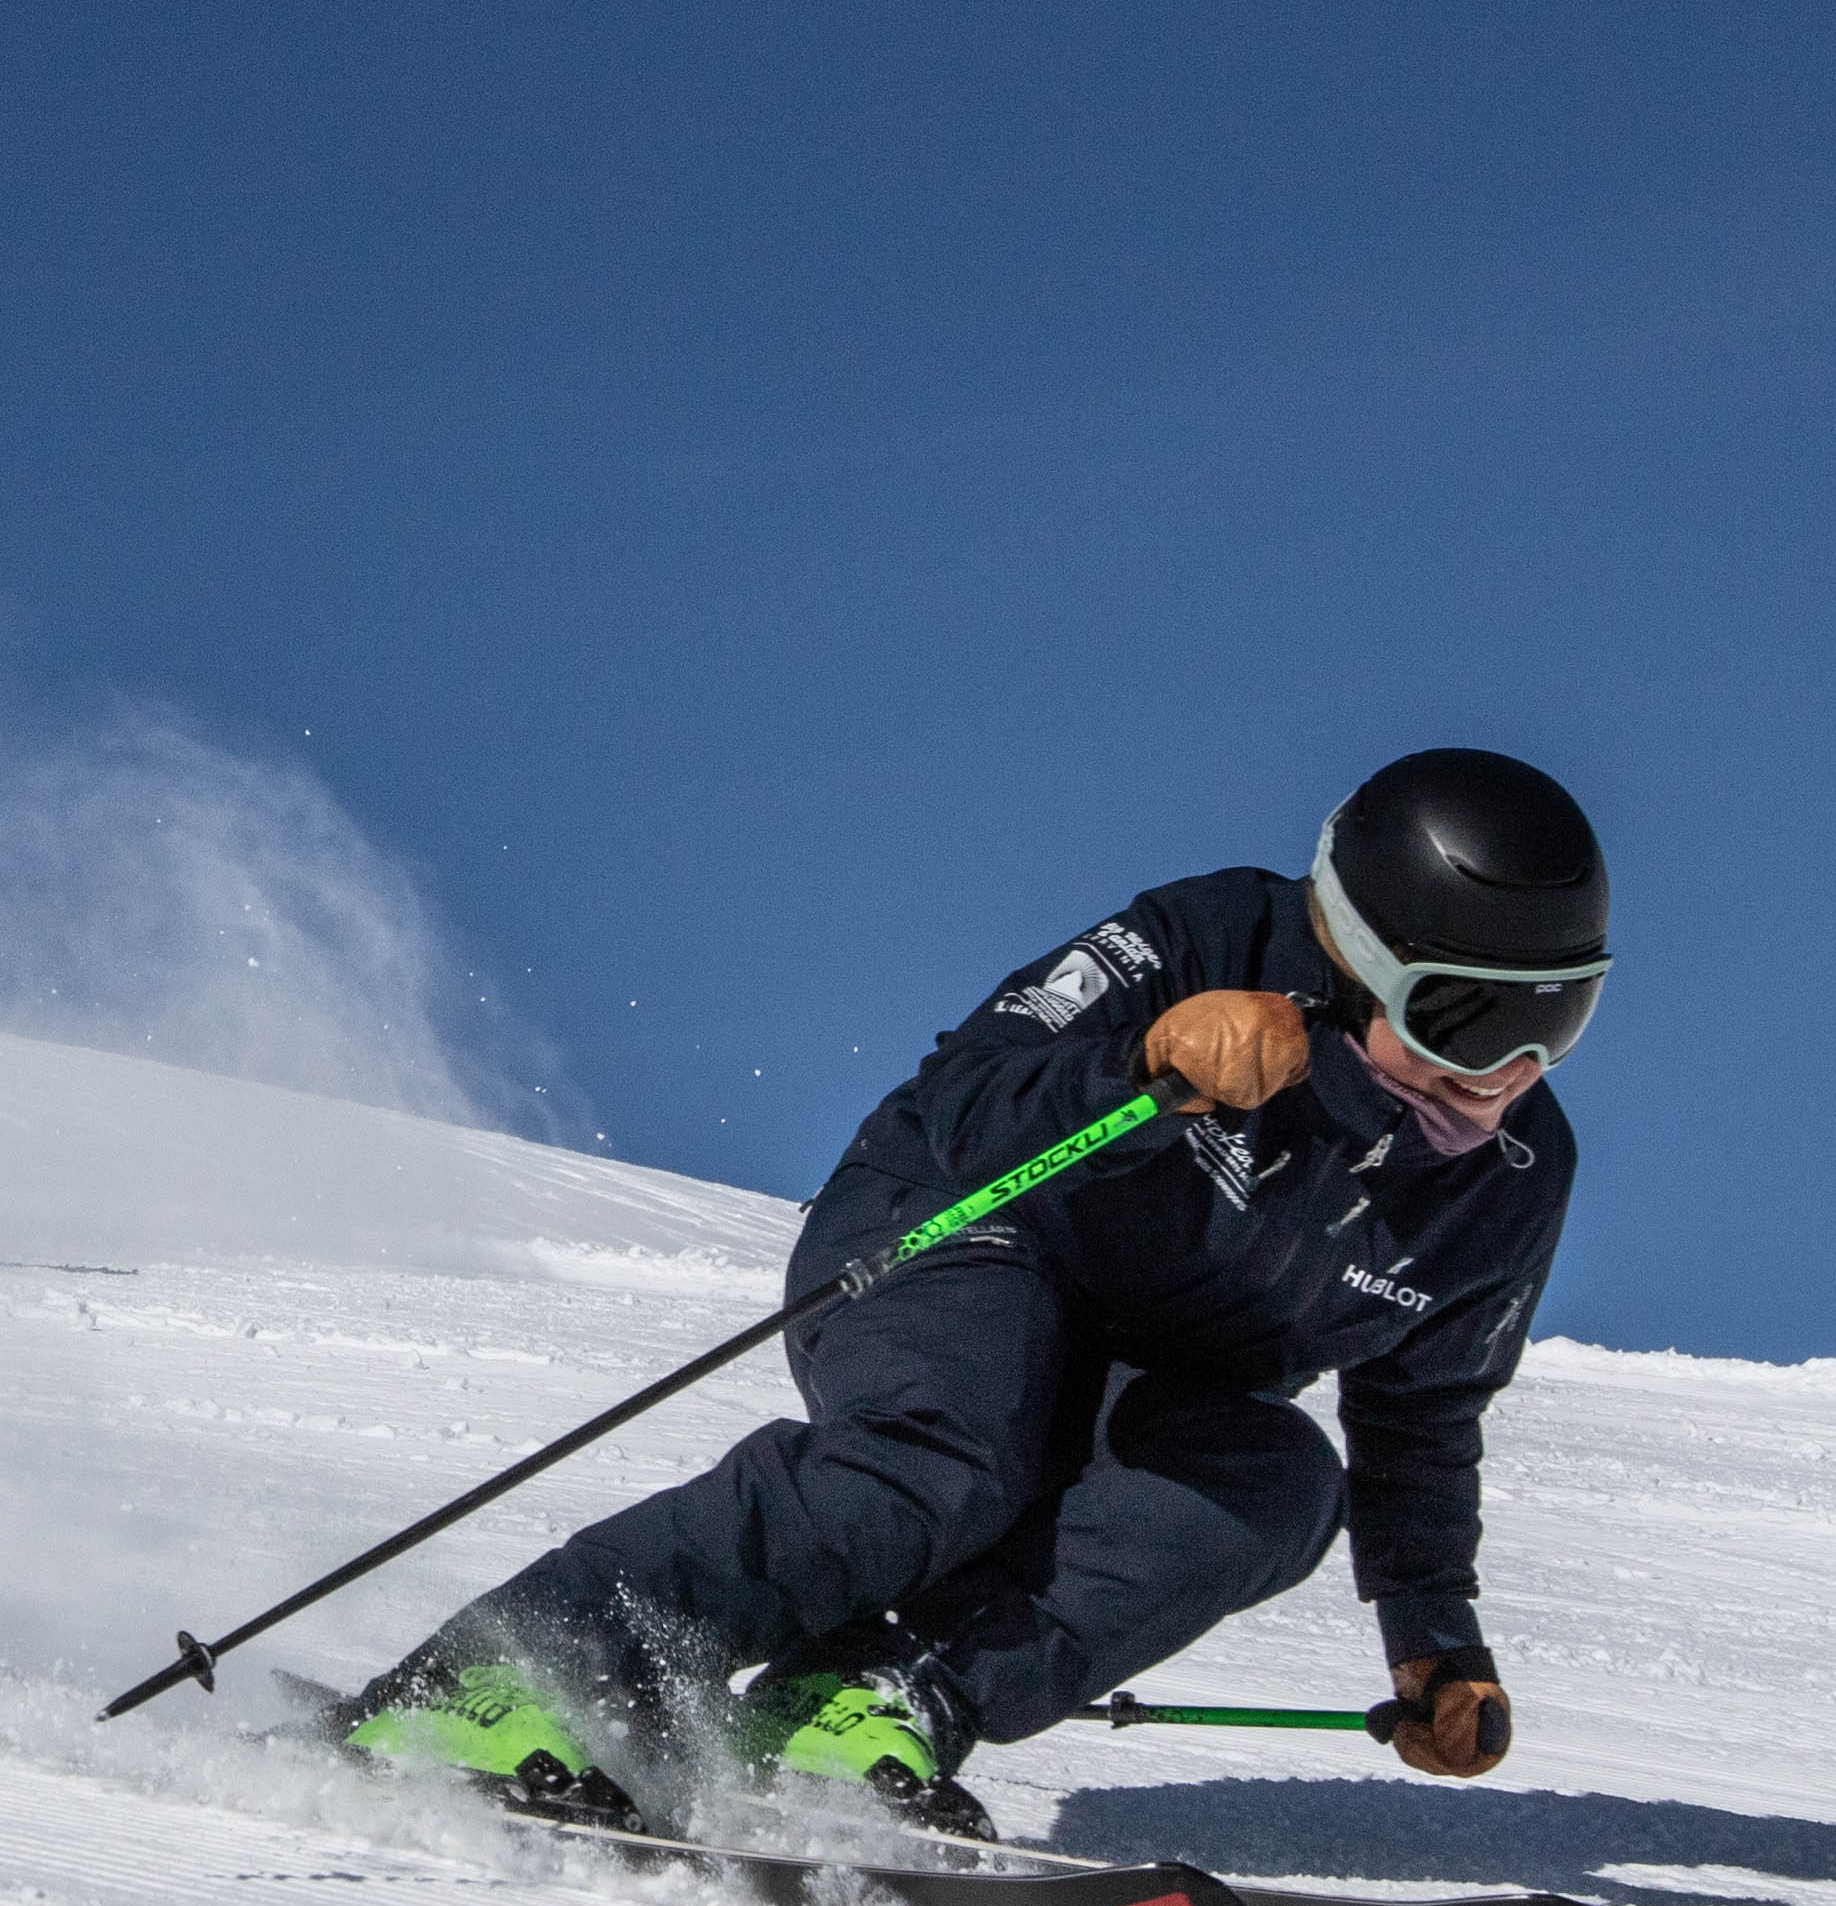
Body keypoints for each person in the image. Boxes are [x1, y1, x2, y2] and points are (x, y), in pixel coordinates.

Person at [341, 747, 1611, 1832]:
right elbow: (968, 1097)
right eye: (1461, 1018)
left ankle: (860, 1703)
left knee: (1278, 1484)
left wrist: (1434, 1642)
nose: (1502, 1071)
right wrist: (1147, 1065)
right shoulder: (1207, 939)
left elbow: (1422, 1416)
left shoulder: (1507, 1177)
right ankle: (506, 1673)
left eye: (1556, 1023)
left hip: (1133, 1381)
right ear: (1358, 957)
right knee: (944, 1449)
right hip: (960, 1231)